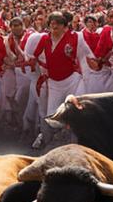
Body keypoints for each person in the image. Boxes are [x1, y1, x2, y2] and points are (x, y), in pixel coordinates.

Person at [30, 11, 91, 148]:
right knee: (52, 115)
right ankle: (48, 138)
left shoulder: (75, 38)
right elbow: (34, 57)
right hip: (54, 82)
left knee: (76, 110)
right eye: (52, 24)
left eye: (57, 24)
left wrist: (88, 73)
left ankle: (78, 142)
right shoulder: (45, 39)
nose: (54, 27)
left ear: (65, 26)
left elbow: (86, 55)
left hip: (73, 80)